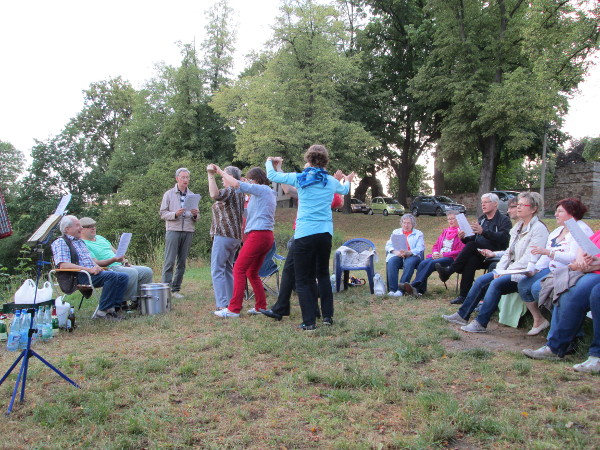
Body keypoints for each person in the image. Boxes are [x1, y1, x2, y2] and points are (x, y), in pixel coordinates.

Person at [265, 146, 354, 330]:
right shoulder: (330, 181)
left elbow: (273, 176)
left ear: (309, 159)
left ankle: (309, 322)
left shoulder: (300, 178)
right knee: (322, 275)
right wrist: (348, 180)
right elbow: (344, 190)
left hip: (305, 233)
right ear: (325, 160)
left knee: (303, 279)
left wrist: (269, 162)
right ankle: (328, 317)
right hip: (325, 234)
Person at [442, 192, 549, 334]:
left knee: (495, 283)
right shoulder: (518, 227)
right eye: (518, 204)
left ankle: (481, 322)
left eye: (522, 205)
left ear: (534, 208)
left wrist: (505, 271)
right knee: (481, 280)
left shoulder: (539, 229)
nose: (518, 207)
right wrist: (499, 270)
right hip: (510, 269)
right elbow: (508, 253)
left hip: (525, 272)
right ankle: (462, 315)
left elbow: (529, 259)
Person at [522, 235, 600, 373]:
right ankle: (555, 347)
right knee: (569, 291)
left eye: (560, 211)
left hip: (593, 271)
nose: (556, 214)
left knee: (597, 293)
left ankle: (596, 355)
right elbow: (583, 245)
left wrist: (591, 264)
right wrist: (581, 260)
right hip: (590, 271)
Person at [212, 166, 277, 318]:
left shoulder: (262, 190)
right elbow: (248, 212)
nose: (248, 181)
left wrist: (221, 172)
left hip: (258, 235)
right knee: (251, 272)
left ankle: (233, 309)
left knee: (238, 269)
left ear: (256, 179)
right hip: (264, 236)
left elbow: (237, 185)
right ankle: (261, 306)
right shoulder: (262, 195)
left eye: (250, 179)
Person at [436, 193, 512, 304]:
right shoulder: (482, 219)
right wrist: (464, 238)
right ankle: (464, 296)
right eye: (482, 202)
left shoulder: (504, 220)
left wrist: (483, 232)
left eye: (486, 202)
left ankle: (449, 271)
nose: (483, 205)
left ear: (495, 204)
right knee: (470, 259)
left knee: (472, 248)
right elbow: (474, 240)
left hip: (495, 253)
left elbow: (505, 239)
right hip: (479, 253)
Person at [51, 215, 128, 320]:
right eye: (78, 225)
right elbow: (63, 265)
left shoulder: (80, 241)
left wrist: (97, 267)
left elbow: (90, 260)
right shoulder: (61, 242)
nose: (81, 228)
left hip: (91, 273)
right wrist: (89, 269)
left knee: (123, 276)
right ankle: (102, 313)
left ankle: (112, 310)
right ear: (67, 229)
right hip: (77, 276)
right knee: (112, 276)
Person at [518, 198, 593, 306]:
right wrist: (536, 269)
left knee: (537, 289)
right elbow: (545, 256)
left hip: (569, 271)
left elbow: (574, 258)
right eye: (556, 211)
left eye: (560, 211)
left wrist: (550, 253)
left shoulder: (580, 230)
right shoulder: (557, 231)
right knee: (524, 285)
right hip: (551, 268)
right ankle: (539, 319)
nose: (556, 214)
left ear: (572, 212)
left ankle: (557, 316)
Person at [79, 217, 153, 305]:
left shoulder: (100, 238)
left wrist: (124, 261)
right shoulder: (82, 243)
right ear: (82, 230)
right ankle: (123, 302)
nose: (93, 228)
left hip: (119, 265)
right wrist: (114, 260)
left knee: (147, 271)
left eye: (94, 226)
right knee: (132, 272)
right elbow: (96, 263)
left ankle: (140, 301)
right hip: (107, 268)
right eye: (89, 226)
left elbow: (116, 252)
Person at [206, 165, 245, 310]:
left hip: (224, 234)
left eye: (224, 177)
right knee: (228, 269)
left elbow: (214, 195)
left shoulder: (230, 190)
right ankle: (230, 302)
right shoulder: (240, 191)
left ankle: (222, 305)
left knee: (217, 270)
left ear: (231, 177)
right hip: (234, 236)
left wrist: (210, 175)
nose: (222, 179)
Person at [160, 168, 200, 298]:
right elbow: (162, 213)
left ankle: (175, 290)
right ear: (177, 178)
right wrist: (175, 214)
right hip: (173, 229)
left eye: (187, 177)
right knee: (169, 261)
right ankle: (165, 290)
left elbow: (198, 217)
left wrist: (195, 215)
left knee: (182, 262)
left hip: (188, 230)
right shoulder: (169, 194)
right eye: (183, 177)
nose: (185, 180)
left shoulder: (192, 195)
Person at [403, 212, 465, 296]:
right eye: (449, 219)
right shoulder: (445, 232)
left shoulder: (461, 232)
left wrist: (443, 255)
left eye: (452, 219)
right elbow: (436, 245)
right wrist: (435, 253)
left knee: (432, 263)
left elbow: (461, 251)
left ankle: (414, 285)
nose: (450, 221)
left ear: (458, 220)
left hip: (451, 258)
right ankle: (420, 291)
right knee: (422, 263)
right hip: (439, 255)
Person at [385, 214, 425, 296]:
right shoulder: (396, 232)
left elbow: (420, 247)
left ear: (413, 224)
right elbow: (388, 245)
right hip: (399, 255)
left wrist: (409, 252)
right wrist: (396, 252)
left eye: (408, 223)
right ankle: (392, 290)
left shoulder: (418, 234)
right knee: (392, 261)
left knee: (409, 262)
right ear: (401, 223)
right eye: (404, 223)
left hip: (413, 256)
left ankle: (401, 290)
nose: (406, 225)